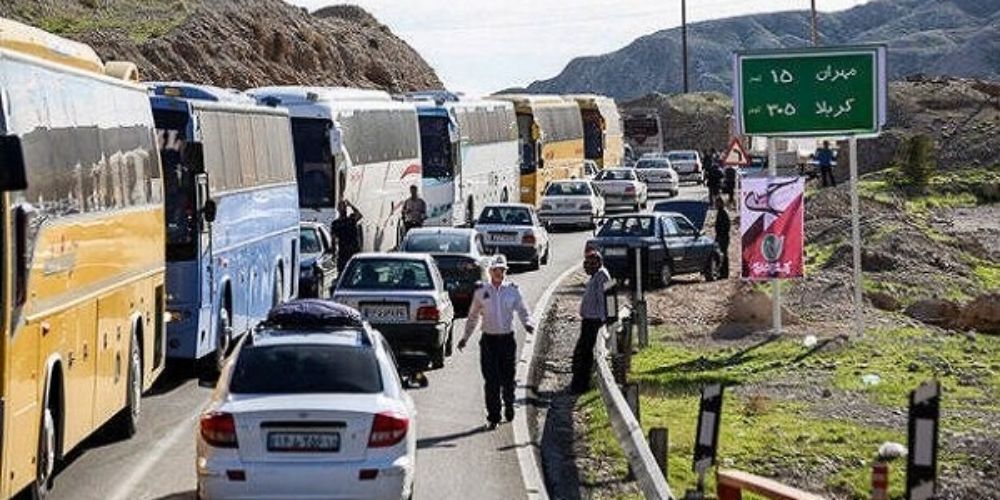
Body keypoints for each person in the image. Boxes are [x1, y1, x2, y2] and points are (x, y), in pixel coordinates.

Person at [458, 254, 535, 429]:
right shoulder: (481, 291)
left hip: (507, 340)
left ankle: (508, 403)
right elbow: (473, 317)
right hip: (489, 342)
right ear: (490, 272)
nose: (500, 273)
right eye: (497, 270)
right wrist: (465, 338)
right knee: (491, 380)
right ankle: (494, 415)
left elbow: (523, 310)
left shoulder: (513, 290)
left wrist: (528, 324)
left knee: (508, 378)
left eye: (503, 270)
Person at [570, 251, 612, 394]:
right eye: (586, 263)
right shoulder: (596, 276)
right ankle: (578, 383)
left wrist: (602, 322)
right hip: (589, 320)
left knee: (584, 354)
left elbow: (603, 300)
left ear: (599, 263)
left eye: (591, 263)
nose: (587, 266)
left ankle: (580, 386)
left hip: (594, 322)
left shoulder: (601, 276)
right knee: (581, 353)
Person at [330, 200, 363, 274]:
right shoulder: (336, 223)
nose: (343, 209)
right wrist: (351, 205)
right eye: (341, 207)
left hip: (351, 251)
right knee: (344, 272)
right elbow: (333, 239)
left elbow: (359, 215)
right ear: (338, 210)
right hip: (344, 252)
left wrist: (351, 205)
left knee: (352, 271)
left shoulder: (350, 219)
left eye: (344, 207)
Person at [714, 197, 731, 279]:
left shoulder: (723, 213)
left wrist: (721, 235)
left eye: (716, 203)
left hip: (723, 237)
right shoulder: (720, 212)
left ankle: (724, 274)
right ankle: (722, 273)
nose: (715, 205)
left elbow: (726, 226)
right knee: (721, 255)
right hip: (720, 236)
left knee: (723, 255)